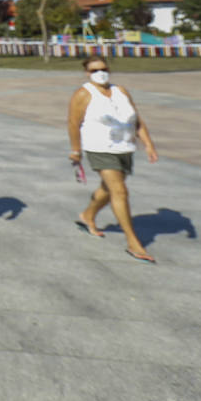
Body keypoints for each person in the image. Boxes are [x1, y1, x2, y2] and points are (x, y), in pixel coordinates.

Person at [68, 56, 160, 262]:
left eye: (103, 68)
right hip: (99, 148)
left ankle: (87, 215)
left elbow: (136, 119)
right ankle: (133, 242)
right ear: (87, 73)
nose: (100, 73)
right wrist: (76, 150)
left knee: (109, 189)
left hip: (124, 147)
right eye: (94, 70)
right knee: (119, 191)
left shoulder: (121, 91)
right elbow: (73, 123)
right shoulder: (83, 94)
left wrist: (148, 143)